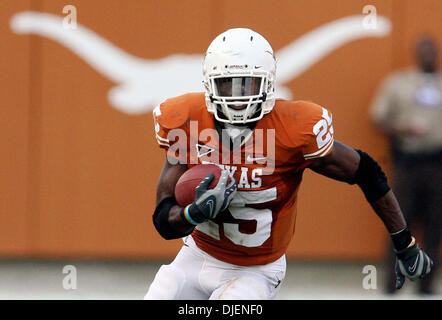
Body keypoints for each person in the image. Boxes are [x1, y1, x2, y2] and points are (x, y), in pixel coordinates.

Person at [145, 28, 433, 300]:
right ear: (209, 83)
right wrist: (194, 213)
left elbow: (366, 171)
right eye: (227, 85)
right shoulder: (186, 120)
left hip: (256, 270)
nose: (236, 98)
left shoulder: (293, 129)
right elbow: (164, 221)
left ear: (269, 83)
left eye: (247, 84)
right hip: (196, 256)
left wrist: (404, 242)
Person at [370, 36, 441, 295]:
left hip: (437, 164)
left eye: (432, 50)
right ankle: (392, 284)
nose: (429, 55)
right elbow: (378, 117)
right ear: (415, 53)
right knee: (399, 223)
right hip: (408, 163)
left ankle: (427, 286)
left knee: (435, 224)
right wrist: (404, 128)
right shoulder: (398, 83)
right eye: (424, 50)